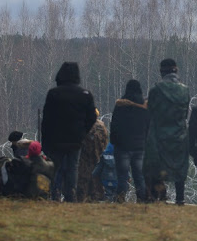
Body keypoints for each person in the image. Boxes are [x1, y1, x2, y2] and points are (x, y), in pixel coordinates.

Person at [41, 61, 97, 202]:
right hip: (75, 138)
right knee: (73, 168)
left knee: (54, 167)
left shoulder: (54, 94)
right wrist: (83, 131)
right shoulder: (85, 94)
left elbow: (47, 119)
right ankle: (70, 194)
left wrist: (45, 140)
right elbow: (92, 116)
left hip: (56, 138)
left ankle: (53, 194)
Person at [143, 59, 190, 204]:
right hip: (180, 135)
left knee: (156, 167)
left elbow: (150, 113)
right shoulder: (185, 90)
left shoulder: (156, 90)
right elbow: (186, 113)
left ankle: (157, 198)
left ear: (162, 72)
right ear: (176, 71)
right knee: (179, 167)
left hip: (159, 135)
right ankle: (180, 199)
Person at [110, 79, 149, 203]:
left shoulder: (120, 106)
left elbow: (114, 126)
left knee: (122, 176)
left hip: (122, 147)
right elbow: (148, 126)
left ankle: (120, 199)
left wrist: (115, 142)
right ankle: (142, 201)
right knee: (139, 177)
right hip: (139, 147)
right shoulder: (144, 107)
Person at [77, 110, 108, 202]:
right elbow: (105, 141)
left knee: (83, 180)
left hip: (84, 159)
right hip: (98, 157)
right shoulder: (102, 126)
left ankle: (82, 199)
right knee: (96, 180)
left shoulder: (83, 125)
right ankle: (96, 198)